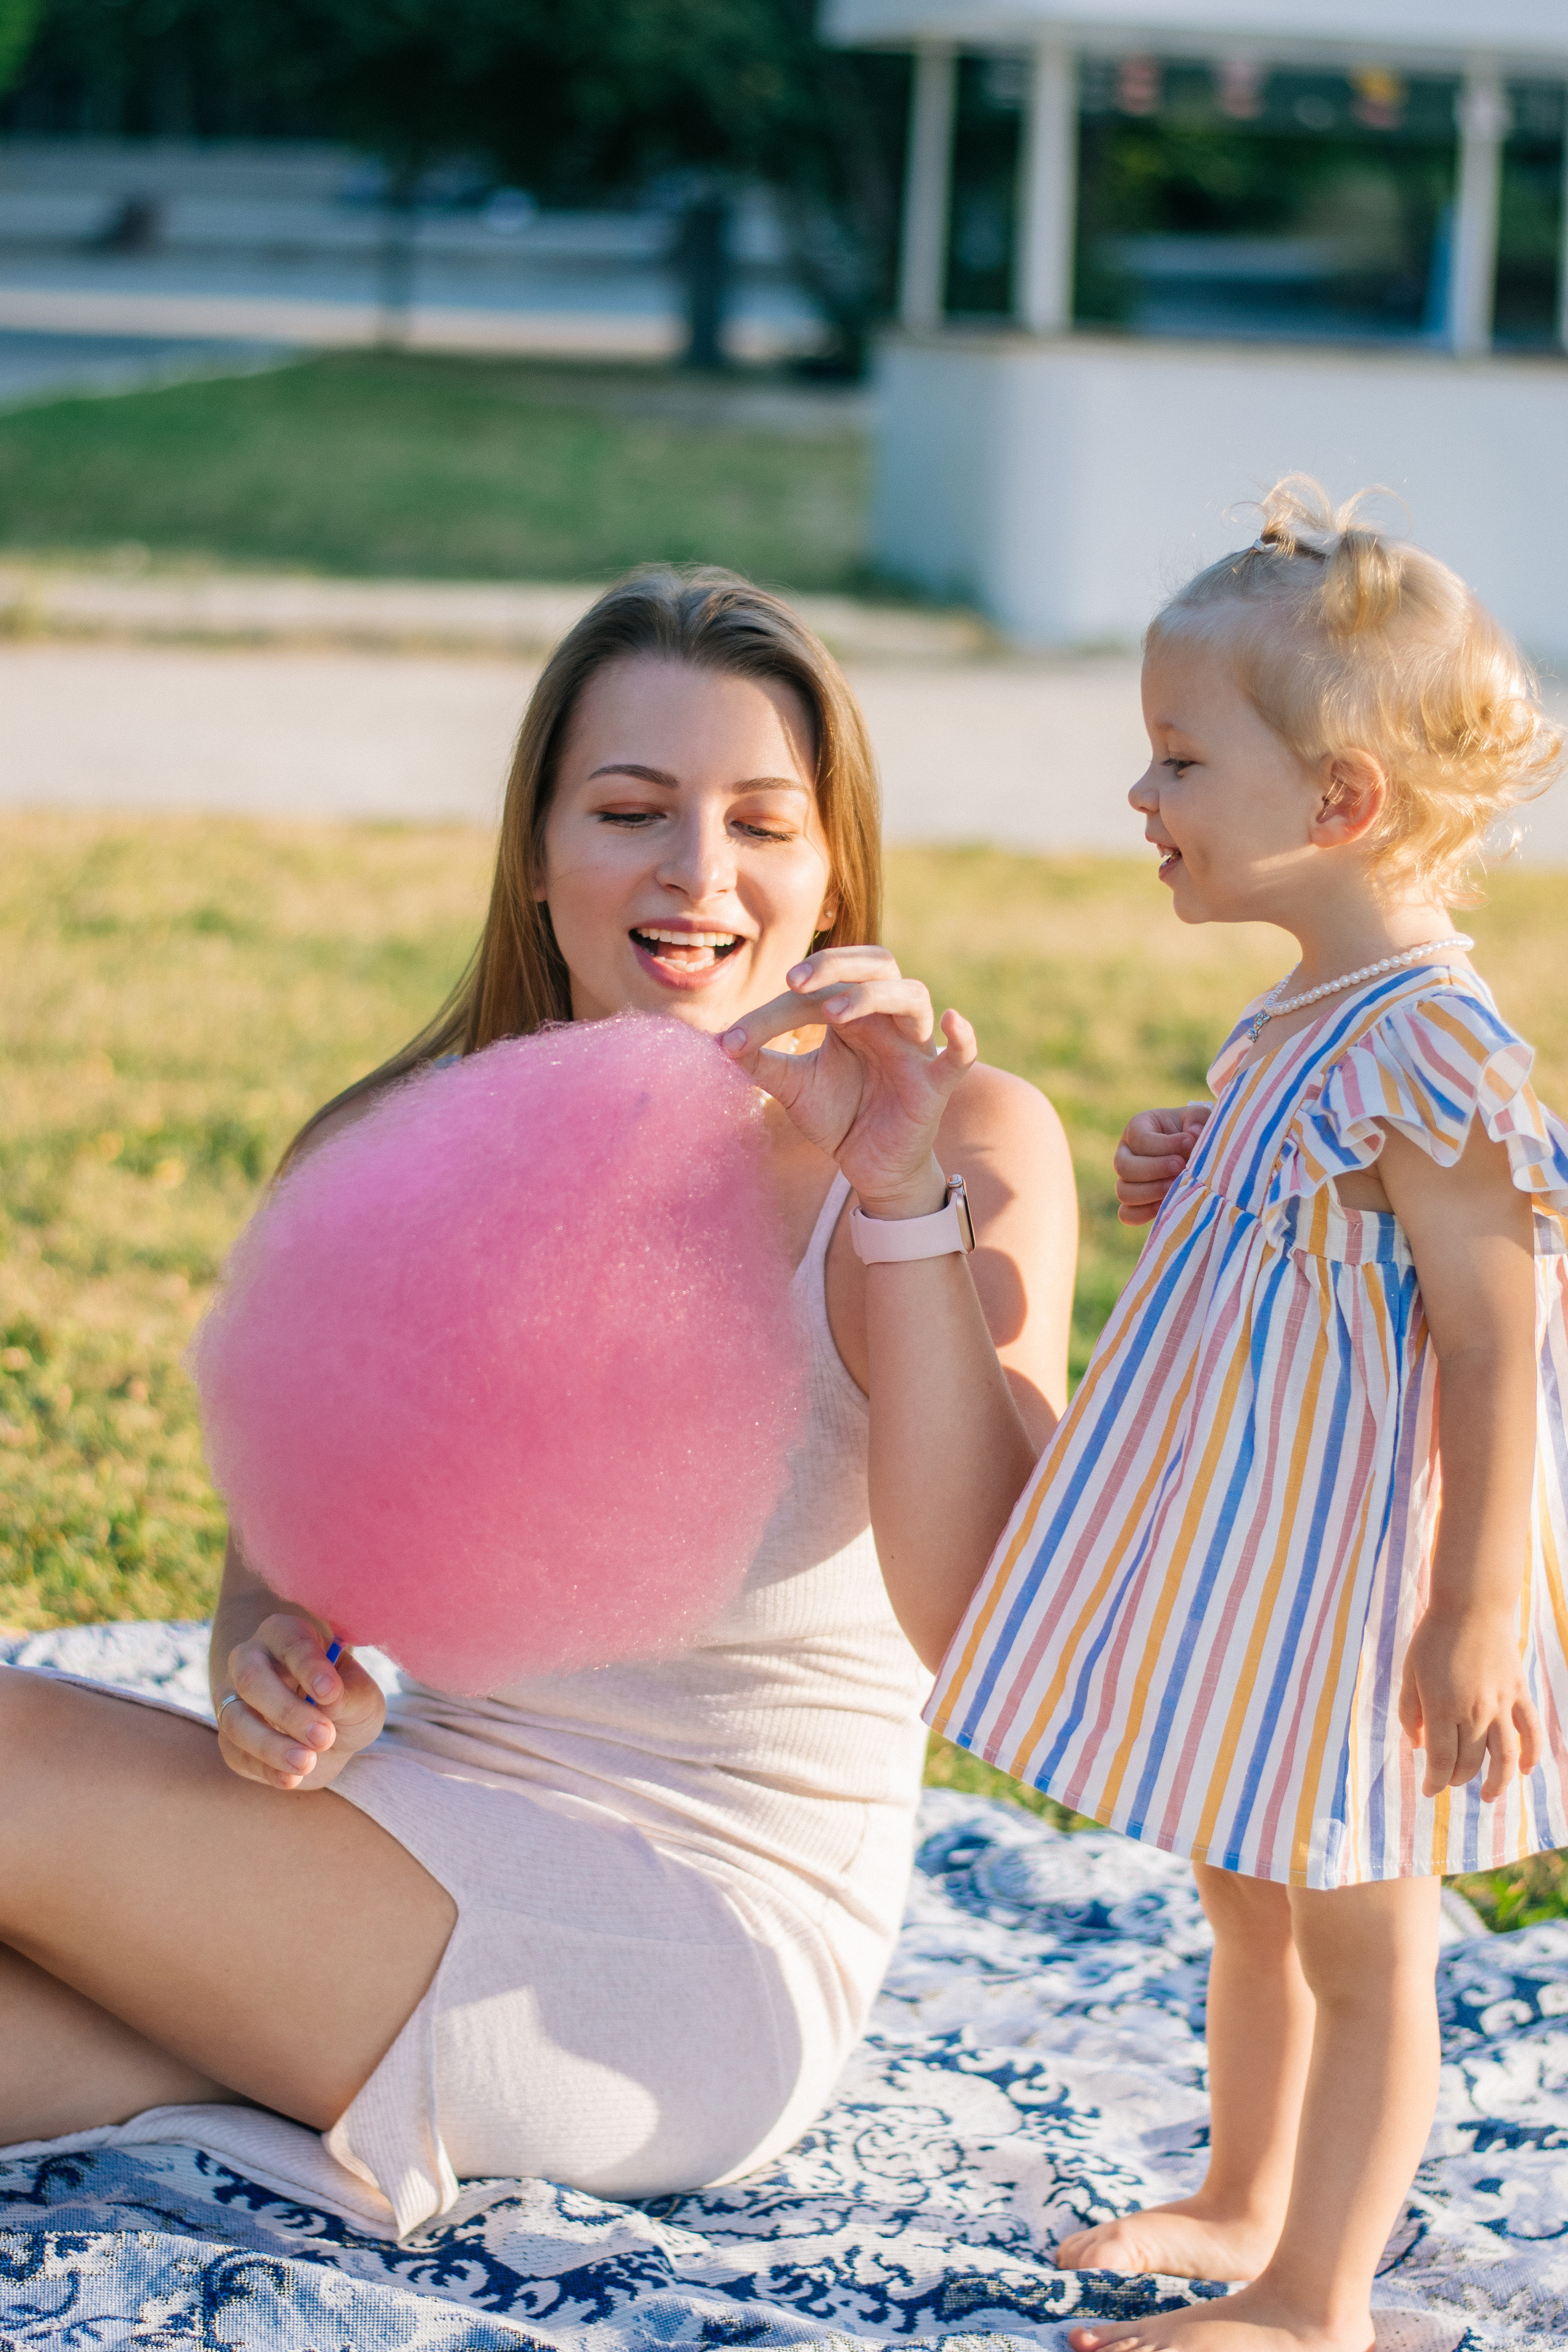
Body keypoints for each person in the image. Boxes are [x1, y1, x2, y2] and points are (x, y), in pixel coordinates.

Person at [0, 570, 1077, 2235]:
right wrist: (264, 1668)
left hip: (694, 1952)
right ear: (536, 852)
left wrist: (903, 1195)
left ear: (834, 867)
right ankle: (229, 2076)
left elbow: (996, 1612)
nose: (698, 876)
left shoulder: (961, 1138)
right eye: (632, 810)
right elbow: (285, 1560)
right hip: (400, 1834)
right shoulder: (409, 1143)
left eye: (762, 825)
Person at [901, 479, 1568, 2352]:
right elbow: (1321, 1214)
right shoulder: (1307, 1020)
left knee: (1361, 1934)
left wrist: (1478, 1607)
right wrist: (1205, 1168)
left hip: (1368, 1578)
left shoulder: (1436, 1043)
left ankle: (1314, 2299)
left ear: (1338, 804)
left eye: (1181, 763)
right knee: (1247, 1891)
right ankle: (1242, 2196)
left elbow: (1499, 1332)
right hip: (1258, 1561)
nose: (1144, 801)